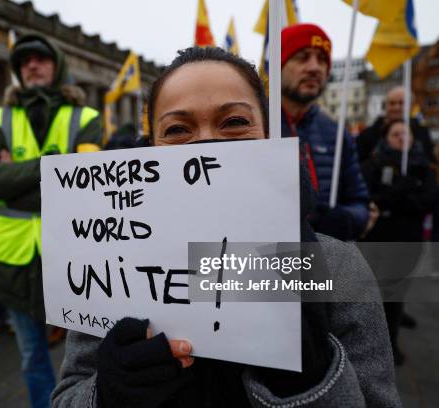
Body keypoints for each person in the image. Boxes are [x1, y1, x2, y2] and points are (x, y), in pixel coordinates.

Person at [51, 47, 401, 408]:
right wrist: (106, 394)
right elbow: (67, 396)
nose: (206, 143)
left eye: (233, 122)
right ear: (149, 149)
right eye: (177, 129)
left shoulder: (339, 267)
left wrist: (311, 378)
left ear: (269, 137)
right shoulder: (112, 264)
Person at [0, 33, 102, 407]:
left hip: (74, 256)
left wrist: (13, 177)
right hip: (15, 259)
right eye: (24, 60)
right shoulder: (0, 118)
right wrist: (52, 165)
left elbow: (86, 184)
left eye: (40, 58)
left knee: (82, 359)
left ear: (56, 64)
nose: (31, 64)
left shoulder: (86, 117)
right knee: (32, 357)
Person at [281, 23, 369, 241]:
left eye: (322, 60)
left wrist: (346, 220)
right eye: (302, 57)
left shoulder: (337, 133)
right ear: (277, 66)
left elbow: (360, 202)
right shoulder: (251, 125)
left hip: (325, 263)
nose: (315, 67)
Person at [360, 119, 438, 365]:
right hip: (376, 241)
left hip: (407, 242)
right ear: (386, 138)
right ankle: (368, 342)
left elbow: (427, 202)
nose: (402, 138)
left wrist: (398, 197)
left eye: (406, 134)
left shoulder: (424, 168)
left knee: (395, 296)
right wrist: (398, 192)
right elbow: (370, 198)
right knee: (373, 294)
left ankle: (390, 343)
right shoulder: (373, 164)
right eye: (396, 134)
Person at [357, 86, 435, 164]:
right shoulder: (368, 134)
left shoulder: (422, 132)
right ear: (385, 106)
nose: (397, 107)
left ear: (411, 106)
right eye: (392, 103)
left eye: (402, 103)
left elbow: (429, 162)